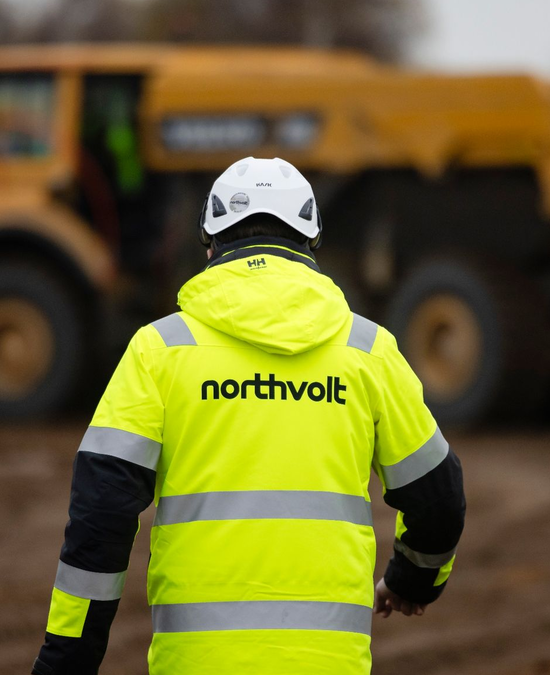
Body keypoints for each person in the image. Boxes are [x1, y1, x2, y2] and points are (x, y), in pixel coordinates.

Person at [32, 157, 466, 675]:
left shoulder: (159, 351)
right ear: (310, 243)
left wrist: (67, 662)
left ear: (210, 242)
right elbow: (439, 499)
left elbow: (100, 517)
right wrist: (411, 580)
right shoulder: (368, 351)